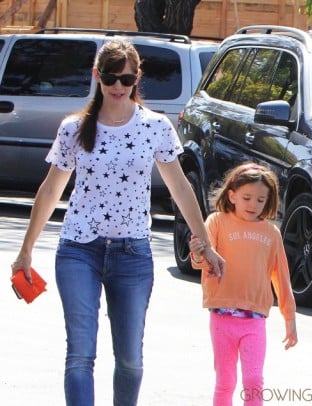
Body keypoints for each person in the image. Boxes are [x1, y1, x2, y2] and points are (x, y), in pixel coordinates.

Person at [10, 39, 224, 406]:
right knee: (80, 353)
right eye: (110, 78)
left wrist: (205, 241)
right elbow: (50, 191)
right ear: (97, 76)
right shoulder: (74, 128)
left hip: (132, 253)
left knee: (130, 359)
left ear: (137, 78)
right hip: (79, 250)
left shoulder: (154, 126)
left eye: (126, 79)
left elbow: (180, 187)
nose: (118, 87)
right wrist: (25, 250)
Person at [189, 162, 298, 406]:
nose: (253, 205)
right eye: (247, 197)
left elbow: (281, 276)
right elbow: (202, 259)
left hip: (254, 321)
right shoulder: (216, 221)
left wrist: (289, 318)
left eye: (261, 200)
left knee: (253, 380)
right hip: (221, 318)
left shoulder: (271, 233)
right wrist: (198, 252)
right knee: (225, 381)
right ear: (232, 195)